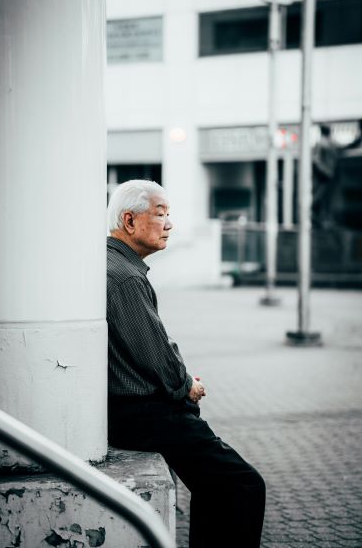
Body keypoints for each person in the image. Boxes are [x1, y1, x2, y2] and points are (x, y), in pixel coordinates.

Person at [106, 179, 265, 548]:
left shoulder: (113, 264)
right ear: (130, 221)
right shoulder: (125, 278)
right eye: (161, 214)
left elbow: (152, 345)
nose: (169, 224)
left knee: (218, 484)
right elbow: (156, 357)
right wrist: (186, 386)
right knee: (243, 484)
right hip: (144, 414)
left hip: (131, 411)